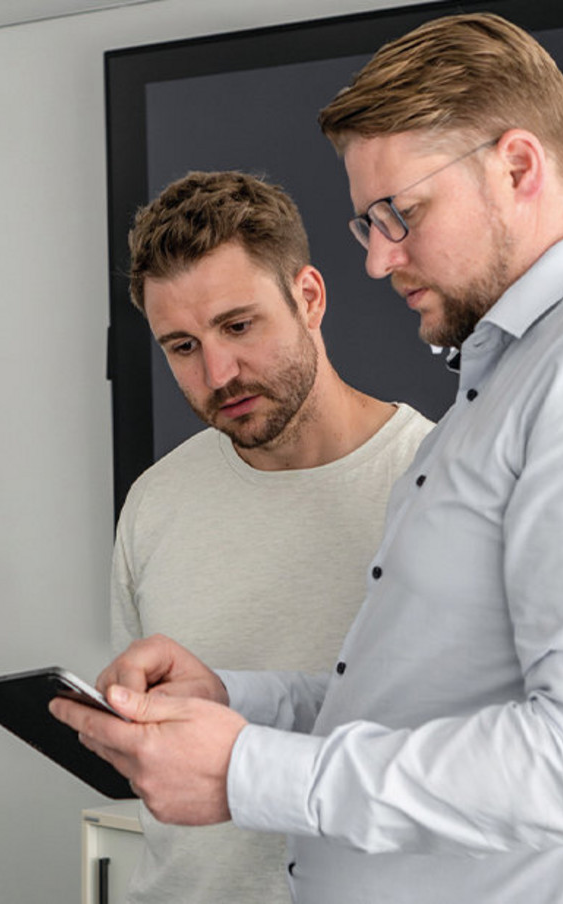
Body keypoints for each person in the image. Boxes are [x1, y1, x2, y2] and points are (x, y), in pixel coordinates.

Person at [52, 13, 563, 903]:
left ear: (518, 166)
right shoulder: (508, 385)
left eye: (398, 214)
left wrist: (251, 771)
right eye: (368, 223)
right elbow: (424, 711)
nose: (378, 259)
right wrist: (239, 701)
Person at [110, 170, 432, 904]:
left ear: (310, 298)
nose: (218, 372)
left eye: (238, 325)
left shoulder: (438, 483)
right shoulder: (156, 503)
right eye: (182, 346)